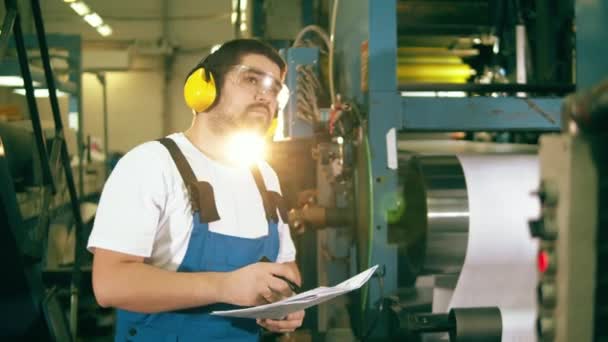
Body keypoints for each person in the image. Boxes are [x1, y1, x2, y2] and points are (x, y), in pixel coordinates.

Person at [88, 38, 304, 341]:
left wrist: (286, 302)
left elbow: (286, 266)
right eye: (252, 79)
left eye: (275, 89)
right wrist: (225, 286)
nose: (265, 95)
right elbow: (110, 284)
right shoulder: (150, 164)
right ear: (205, 87)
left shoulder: (264, 176)